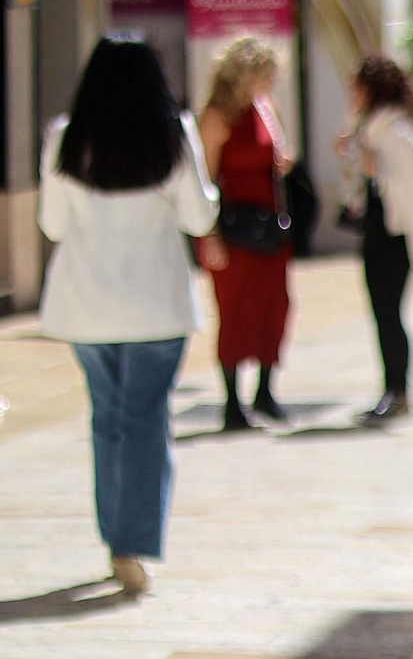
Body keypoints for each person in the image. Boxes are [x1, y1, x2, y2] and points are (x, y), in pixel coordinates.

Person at [38, 38, 219, 596]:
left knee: (106, 420)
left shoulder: (65, 137)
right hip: (156, 306)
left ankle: (116, 537)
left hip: (85, 306)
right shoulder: (175, 132)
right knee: (146, 421)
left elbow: (52, 226)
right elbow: (198, 216)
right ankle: (131, 544)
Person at [336, 55, 413, 422]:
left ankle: (398, 391)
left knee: (390, 313)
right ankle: (391, 389)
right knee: (381, 314)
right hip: (374, 232)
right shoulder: (368, 128)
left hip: (394, 235)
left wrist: (376, 169)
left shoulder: (397, 132)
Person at [196, 37, 295, 431]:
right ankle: (232, 403)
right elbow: (206, 179)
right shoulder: (217, 116)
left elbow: (280, 154)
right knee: (234, 310)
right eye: (266, 73)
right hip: (233, 229)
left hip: (269, 225)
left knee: (276, 305)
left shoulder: (267, 107)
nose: (272, 81)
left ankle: (265, 393)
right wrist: (210, 235)